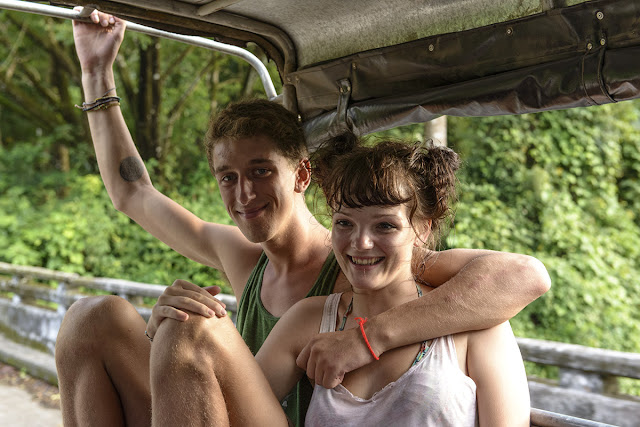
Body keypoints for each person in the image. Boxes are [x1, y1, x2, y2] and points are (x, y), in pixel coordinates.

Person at [54, 9, 549, 427]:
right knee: (91, 319)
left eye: (261, 171)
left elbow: (523, 275)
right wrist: (96, 73)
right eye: (228, 177)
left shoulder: (367, 264)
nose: (244, 193)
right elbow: (133, 193)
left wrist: (367, 339)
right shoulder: (244, 257)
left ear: (302, 174)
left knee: (191, 330)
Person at [150, 135, 531, 426]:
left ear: (422, 229)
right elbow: (219, 410)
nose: (360, 243)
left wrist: (366, 340)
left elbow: (528, 273)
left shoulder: (476, 327)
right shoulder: (309, 320)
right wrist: (169, 336)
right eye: (344, 223)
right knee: (191, 326)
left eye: (385, 226)